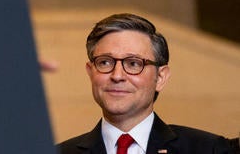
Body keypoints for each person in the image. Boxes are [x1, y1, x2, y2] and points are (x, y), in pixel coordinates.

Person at [56, 13, 233, 154]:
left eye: (134, 64)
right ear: (90, 72)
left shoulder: (209, 149)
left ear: (161, 77)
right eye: (105, 62)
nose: (117, 75)